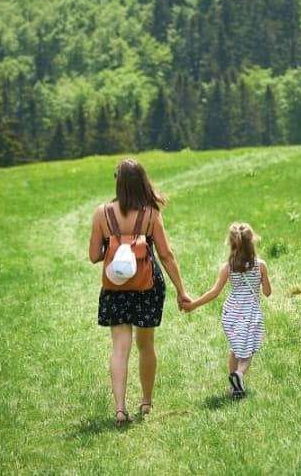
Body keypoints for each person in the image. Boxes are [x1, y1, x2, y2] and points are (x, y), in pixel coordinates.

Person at [88, 158, 191, 425]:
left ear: (119, 183)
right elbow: (166, 255)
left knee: (119, 348)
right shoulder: (151, 214)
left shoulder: (101, 213)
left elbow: (94, 256)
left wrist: (116, 248)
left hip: (115, 288)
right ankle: (146, 402)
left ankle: (120, 410)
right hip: (148, 286)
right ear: (143, 182)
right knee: (146, 346)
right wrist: (181, 291)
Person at [181, 222, 271, 399]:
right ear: (252, 242)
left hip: (231, 314)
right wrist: (263, 278)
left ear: (231, 243)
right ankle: (239, 374)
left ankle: (234, 387)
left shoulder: (227, 267)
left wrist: (193, 305)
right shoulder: (260, 265)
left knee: (235, 349)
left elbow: (213, 292)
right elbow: (267, 292)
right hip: (250, 313)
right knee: (248, 352)